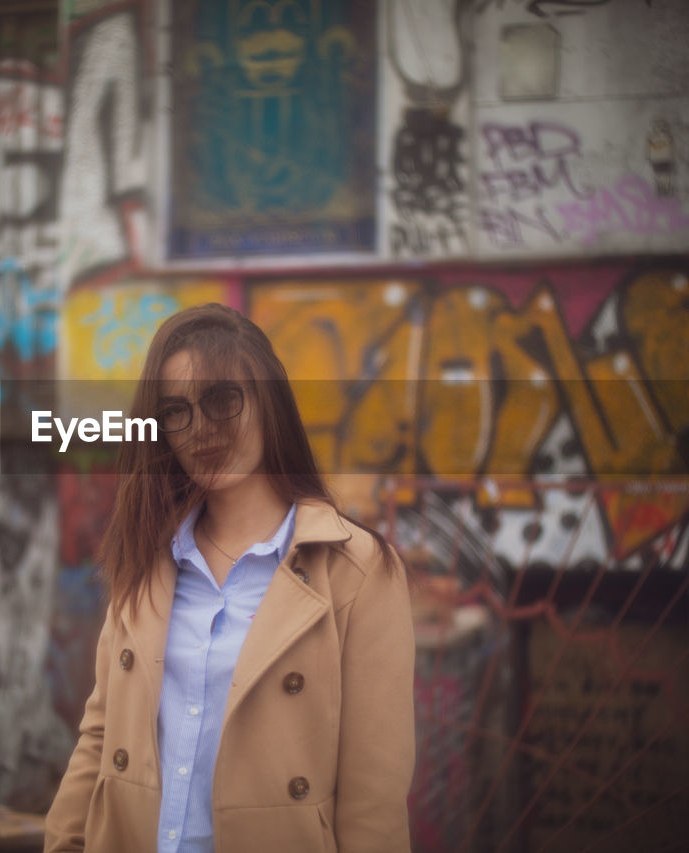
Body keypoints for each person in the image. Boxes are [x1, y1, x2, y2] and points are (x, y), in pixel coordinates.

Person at [44, 303, 415, 852]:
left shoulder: (357, 571)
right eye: (176, 411)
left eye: (221, 400)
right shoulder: (148, 559)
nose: (201, 429)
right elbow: (101, 739)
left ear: (269, 402)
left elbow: (373, 802)